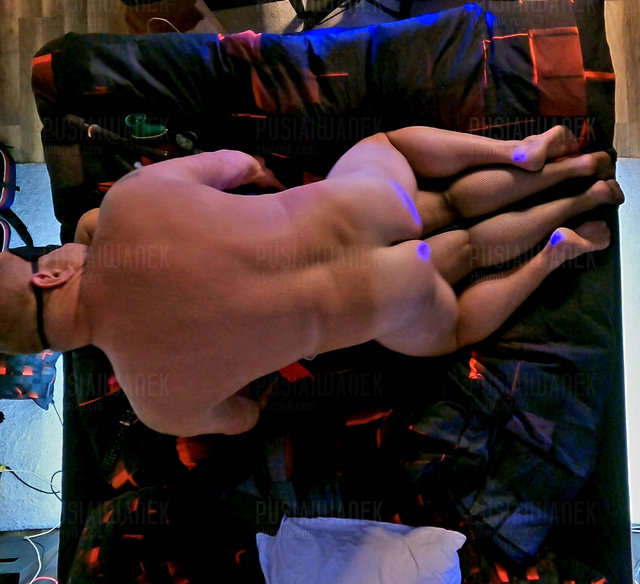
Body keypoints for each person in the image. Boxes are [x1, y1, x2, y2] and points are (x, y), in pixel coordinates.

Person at [0, 125, 624, 437]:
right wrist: (263, 180)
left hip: (379, 301)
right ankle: (524, 158)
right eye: (40, 253)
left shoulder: (156, 403)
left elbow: (243, 418)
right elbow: (236, 164)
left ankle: (558, 243)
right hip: (358, 208)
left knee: (459, 290)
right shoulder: (131, 203)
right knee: (408, 163)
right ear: (50, 277)